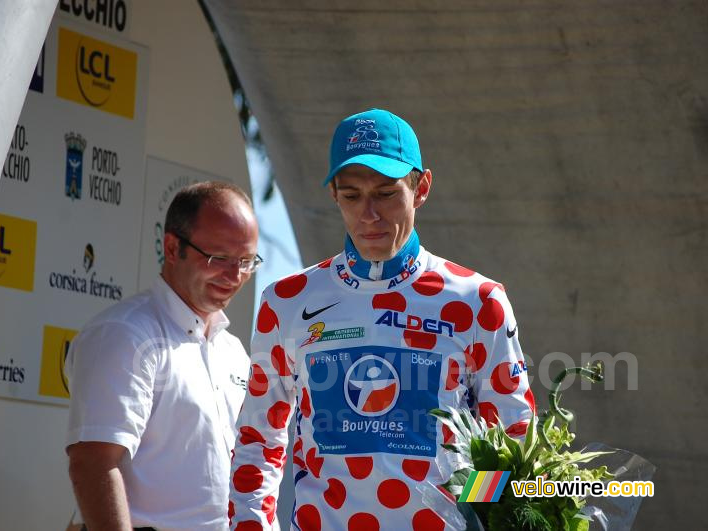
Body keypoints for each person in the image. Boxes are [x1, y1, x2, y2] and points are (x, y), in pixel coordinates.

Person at [228, 109, 535, 530]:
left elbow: (514, 439)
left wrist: (470, 515)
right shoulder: (286, 301)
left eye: (387, 193)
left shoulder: (478, 300)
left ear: (421, 188)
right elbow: (258, 440)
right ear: (334, 194)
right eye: (352, 196)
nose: (369, 214)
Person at [66, 181, 261, 531]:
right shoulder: (125, 333)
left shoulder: (232, 351)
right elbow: (93, 462)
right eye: (219, 259)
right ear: (173, 248)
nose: (235, 276)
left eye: (246, 261)